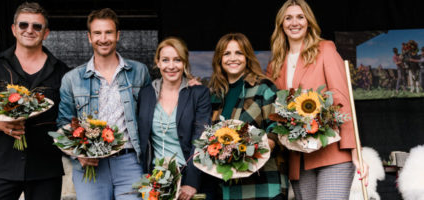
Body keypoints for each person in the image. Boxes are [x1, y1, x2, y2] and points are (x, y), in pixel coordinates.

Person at [0, 2, 70, 200]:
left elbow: (67, 117)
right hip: (1, 167)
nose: (29, 30)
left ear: (46, 33)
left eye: (37, 26)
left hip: (45, 169)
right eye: (23, 25)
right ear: (14, 29)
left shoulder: (61, 71)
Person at [266, 0, 369, 199]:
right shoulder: (275, 64)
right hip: (298, 160)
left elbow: (342, 99)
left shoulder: (325, 50)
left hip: (333, 155)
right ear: (281, 24)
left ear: (309, 22)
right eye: (288, 18)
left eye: (300, 17)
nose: (294, 23)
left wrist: (355, 150)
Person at [56, 8, 150, 200]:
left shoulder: (139, 72)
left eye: (108, 32)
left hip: (129, 161)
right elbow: (63, 124)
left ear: (118, 35)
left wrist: (187, 83)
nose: (103, 38)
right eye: (97, 33)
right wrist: (78, 155)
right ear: (89, 37)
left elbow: (153, 112)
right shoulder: (72, 79)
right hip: (89, 165)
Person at [204, 33, 288, 200]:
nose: (232, 58)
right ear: (219, 59)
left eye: (239, 53)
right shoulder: (215, 95)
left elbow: (278, 128)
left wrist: (250, 152)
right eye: (227, 53)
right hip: (227, 189)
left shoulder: (263, 87)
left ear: (247, 57)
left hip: (263, 187)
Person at [137, 37, 211, 200]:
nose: (171, 66)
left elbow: (202, 139)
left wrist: (191, 181)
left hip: (188, 179)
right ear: (158, 62)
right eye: (165, 60)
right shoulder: (146, 94)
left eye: (177, 60)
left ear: (184, 62)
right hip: (155, 180)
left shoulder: (198, 94)